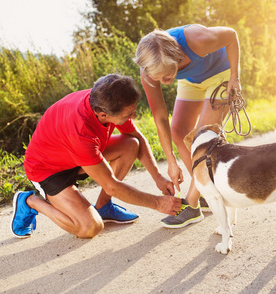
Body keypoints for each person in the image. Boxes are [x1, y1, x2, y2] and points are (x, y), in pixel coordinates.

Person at [11, 74, 182, 238]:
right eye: (127, 115)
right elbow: (112, 186)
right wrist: (158, 203)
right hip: (47, 169)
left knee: (131, 145)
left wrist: (158, 178)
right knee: (89, 227)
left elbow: (137, 137)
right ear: (103, 114)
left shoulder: (106, 99)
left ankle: (104, 207)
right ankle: (29, 202)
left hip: (74, 155)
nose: (133, 116)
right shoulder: (81, 130)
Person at [133, 24, 241, 228]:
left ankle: (192, 205)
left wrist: (234, 77)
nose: (163, 83)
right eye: (157, 78)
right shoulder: (150, 70)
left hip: (221, 73)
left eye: (166, 76)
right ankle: (205, 188)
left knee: (203, 136)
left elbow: (231, 36)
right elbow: (161, 118)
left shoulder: (198, 39)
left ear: (176, 57)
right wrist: (172, 162)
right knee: (179, 132)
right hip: (191, 81)